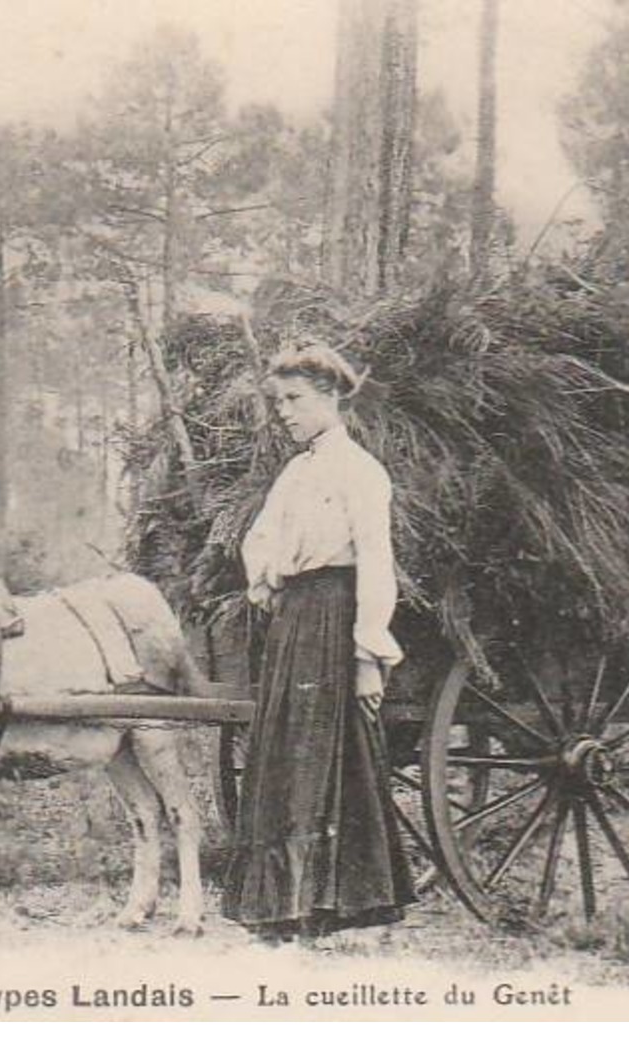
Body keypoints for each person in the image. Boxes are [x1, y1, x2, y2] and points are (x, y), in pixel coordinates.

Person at [221, 340, 415, 941]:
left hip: (336, 613)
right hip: (295, 616)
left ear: (331, 396)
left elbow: (377, 563)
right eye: (278, 401)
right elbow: (261, 537)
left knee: (318, 755)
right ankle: (282, 904)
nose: (284, 411)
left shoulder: (360, 471)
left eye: (295, 399)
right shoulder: (297, 470)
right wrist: (266, 579)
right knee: (281, 754)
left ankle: (329, 903)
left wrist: (367, 654)